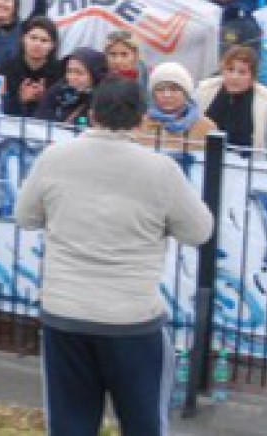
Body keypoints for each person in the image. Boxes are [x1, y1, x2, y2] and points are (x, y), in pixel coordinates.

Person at [17, 77, 215, 436]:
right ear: (141, 118)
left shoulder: (55, 157)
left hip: (66, 313)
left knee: (70, 424)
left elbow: (26, 215)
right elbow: (199, 231)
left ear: (91, 114)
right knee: (143, 424)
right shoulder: (160, 171)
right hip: (131, 319)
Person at [195, 46, 267, 152]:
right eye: (230, 70)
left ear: (253, 76)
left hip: (248, 164)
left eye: (242, 72)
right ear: (222, 71)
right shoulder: (203, 91)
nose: (234, 77)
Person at [140, 61, 215, 151]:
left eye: (174, 89)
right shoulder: (140, 123)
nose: (167, 95)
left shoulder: (205, 127)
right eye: (160, 90)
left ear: (186, 93)